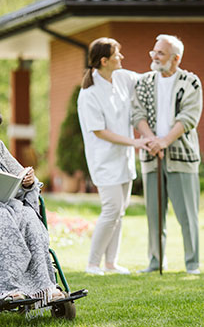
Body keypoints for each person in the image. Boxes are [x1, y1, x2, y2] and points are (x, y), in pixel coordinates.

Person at [0, 94, 64, 311]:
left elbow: (19, 174)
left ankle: (44, 288)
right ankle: (4, 291)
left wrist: (28, 181)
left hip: (7, 203)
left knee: (29, 218)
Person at [78, 37, 150, 276]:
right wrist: (135, 141)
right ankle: (92, 264)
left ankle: (111, 262)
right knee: (111, 210)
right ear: (104, 61)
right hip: (105, 161)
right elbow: (100, 131)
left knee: (120, 210)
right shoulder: (89, 94)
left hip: (124, 158)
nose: (122, 57)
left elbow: (147, 79)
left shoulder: (122, 78)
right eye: (118, 54)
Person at [132, 34, 203, 274]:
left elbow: (189, 118)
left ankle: (192, 264)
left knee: (187, 216)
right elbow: (137, 114)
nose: (154, 56)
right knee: (154, 216)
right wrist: (153, 141)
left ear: (176, 59)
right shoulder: (143, 82)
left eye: (160, 53)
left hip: (182, 158)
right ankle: (155, 262)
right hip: (152, 157)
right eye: (154, 51)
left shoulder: (191, 82)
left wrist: (164, 142)